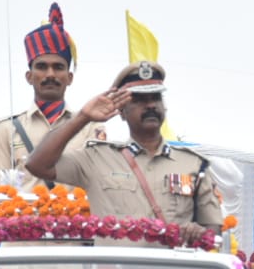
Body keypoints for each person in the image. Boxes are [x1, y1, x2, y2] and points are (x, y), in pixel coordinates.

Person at [24, 61, 222, 245]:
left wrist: (200, 233)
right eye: (140, 100)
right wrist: (83, 118)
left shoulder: (193, 164)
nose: (151, 105)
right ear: (121, 112)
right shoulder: (97, 159)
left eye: (156, 98)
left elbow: (214, 229)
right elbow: (37, 164)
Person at [0, 2, 105, 189]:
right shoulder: (6, 129)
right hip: (25, 218)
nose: (50, 74)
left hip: (75, 217)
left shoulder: (90, 128)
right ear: (29, 77)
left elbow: (98, 182)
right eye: (42, 67)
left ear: (69, 77)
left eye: (58, 67)